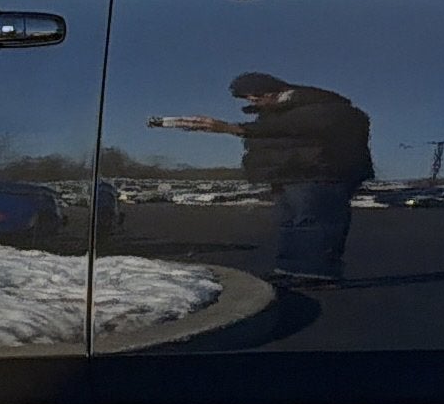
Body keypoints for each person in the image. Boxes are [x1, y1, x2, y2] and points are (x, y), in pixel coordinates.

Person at [149, 71, 374, 283]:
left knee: (314, 222)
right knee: (290, 223)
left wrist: (232, 128)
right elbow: (276, 135)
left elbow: (298, 126)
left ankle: (318, 272)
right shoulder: (274, 114)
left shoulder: (323, 106)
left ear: (272, 90)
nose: (253, 101)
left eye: (255, 96)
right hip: (288, 173)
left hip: (320, 172)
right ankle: (291, 269)